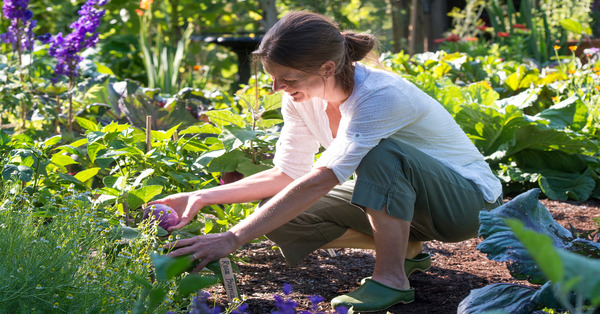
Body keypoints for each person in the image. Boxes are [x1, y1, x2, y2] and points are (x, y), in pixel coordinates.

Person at [149, 11, 503, 312]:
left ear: (327, 67)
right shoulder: (300, 98)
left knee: (382, 154)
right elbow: (287, 173)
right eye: (273, 77)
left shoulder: (380, 96)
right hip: (410, 203)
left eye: (287, 78)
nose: (276, 88)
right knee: (276, 215)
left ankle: (391, 277)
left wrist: (232, 237)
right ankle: (406, 248)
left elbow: (323, 178)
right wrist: (201, 197)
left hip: (466, 204)